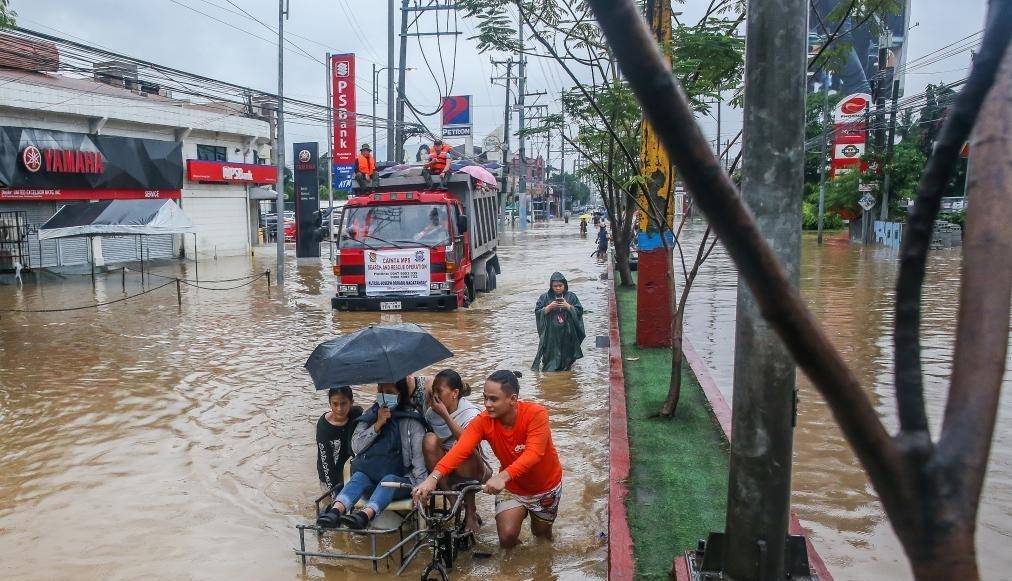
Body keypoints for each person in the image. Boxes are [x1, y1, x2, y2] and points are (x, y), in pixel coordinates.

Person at [413, 370, 563, 549]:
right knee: (506, 538)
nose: (487, 404)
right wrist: (432, 479)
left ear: (513, 399)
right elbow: (460, 450)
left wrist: (502, 476)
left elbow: (533, 454)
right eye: (485, 398)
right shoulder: (483, 421)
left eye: (494, 399)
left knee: (542, 538)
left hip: (544, 487)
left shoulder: (536, 414)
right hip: (513, 487)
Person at [316, 380, 429, 529]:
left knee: (387, 481)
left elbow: (419, 463)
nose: (384, 396)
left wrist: (421, 489)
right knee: (358, 477)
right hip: (372, 474)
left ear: (400, 394)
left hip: (401, 479)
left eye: (389, 392)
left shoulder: (411, 421)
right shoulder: (370, 415)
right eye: (380, 391)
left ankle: (364, 516)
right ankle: (335, 512)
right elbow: (356, 446)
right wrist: (377, 425)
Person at [422, 369, 492, 535]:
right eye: (434, 391)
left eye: (439, 392)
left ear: (455, 393)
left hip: (474, 466)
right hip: (444, 469)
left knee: (461, 448)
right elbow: (433, 446)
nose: (435, 396)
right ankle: (454, 502)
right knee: (429, 439)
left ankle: (470, 512)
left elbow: (467, 442)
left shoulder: (471, 413)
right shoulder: (431, 414)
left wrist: (446, 415)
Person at [315, 387, 364, 515]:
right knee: (331, 511)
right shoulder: (323, 427)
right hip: (329, 476)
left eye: (344, 403)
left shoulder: (357, 414)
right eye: (335, 404)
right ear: (329, 403)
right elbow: (326, 462)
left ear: (351, 402)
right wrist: (334, 493)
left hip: (351, 472)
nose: (339, 409)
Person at [532, 272, 586, 372]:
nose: (557, 288)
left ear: (565, 285)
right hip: (550, 335)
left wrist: (569, 307)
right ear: (551, 286)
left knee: (567, 359)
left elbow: (579, 311)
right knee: (550, 359)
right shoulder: (544, 297)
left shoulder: (572, 297)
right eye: (555, 286)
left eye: (560, 286)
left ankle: (566, 370)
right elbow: (538, 312)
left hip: (567, 332)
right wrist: (548, 308)